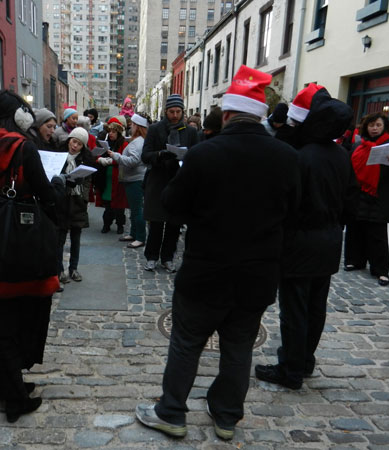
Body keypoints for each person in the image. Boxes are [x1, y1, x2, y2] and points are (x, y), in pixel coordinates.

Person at [135, 66, 301, 441]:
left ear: (226, 114)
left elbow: (172, 205)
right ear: (259, 115)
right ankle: (226, 416)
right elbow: (294, 214)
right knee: (239, 348)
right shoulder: (287, 157)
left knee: (186, 343)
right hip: (256, 273)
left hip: (206, 270)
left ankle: (172, 412)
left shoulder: (204, 153)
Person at [0, 90, 64, 423]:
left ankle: (5, 385)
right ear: (19, 116)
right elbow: (47, 196)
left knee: (2, 324)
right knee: (26, 321)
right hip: (28, 249)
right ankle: (15, 399)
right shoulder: (22, 147)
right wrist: (58, 191)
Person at [254, 84, 359, 390]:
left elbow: (286, 203)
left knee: (295, 309)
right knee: (315, 307)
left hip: (300, 242)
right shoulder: (340, 155)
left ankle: (291, 369)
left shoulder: (301, 156)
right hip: (328, 241)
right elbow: (352, 202)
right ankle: (304, 360)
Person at [344, 112, 389, 286]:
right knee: (355, 229)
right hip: (358, 194)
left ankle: (380, 270)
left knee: (377, 234)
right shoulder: (358, 145)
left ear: (384, 126)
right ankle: (354, 260)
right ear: (366, 127)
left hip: (379, 195)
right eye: (371, 125)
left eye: (378, 125)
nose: (375, 128)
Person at [141, 94, 199, 273]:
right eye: (171, 111)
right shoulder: (155, 129)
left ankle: (168, 257)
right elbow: (145, 155)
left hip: (179, 183)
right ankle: (151, 257)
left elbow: (196, 156)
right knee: (156, 224)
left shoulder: (190, 132)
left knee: (174, 225)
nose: (175, 115)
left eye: (178, 111)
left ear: (182, 112)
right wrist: (159, 155)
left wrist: (185, 157)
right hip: (158, 181)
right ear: (166, 111)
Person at [56, 127, 93, 286]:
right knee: (60, 238)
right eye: (73, 141)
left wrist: (83, 196)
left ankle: (74, 268)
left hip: (77, 202)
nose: (75, 146)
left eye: (79, 144)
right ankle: (59, 269)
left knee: (76, 238)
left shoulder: (85, 159)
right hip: (62, 202)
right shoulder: (59, 156)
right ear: (69, 140)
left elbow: (87, 181)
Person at [108, 112, 149, 248]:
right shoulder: (137, 141)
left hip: (135, 179)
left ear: (138, 126)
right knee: (134, 209)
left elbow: (133, 161)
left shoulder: (137, 143)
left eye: (132, 125)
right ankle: (134, 233)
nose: (130, 127)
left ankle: (140, 237)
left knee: (137, 210)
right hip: (132, 179)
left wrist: (116, 156)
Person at [95, 116, 128, 234]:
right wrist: (99, 159)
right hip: (106, 178)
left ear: (118, 132)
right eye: (109, 131)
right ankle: (106, 224)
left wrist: (112, 160)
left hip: (118, 178)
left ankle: (120, 225)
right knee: (107, 204)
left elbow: (124, 158)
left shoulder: (123, 144)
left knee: (119, 205)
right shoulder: (105, 143)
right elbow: (96, 154)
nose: (111, 134)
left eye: (114, 131)